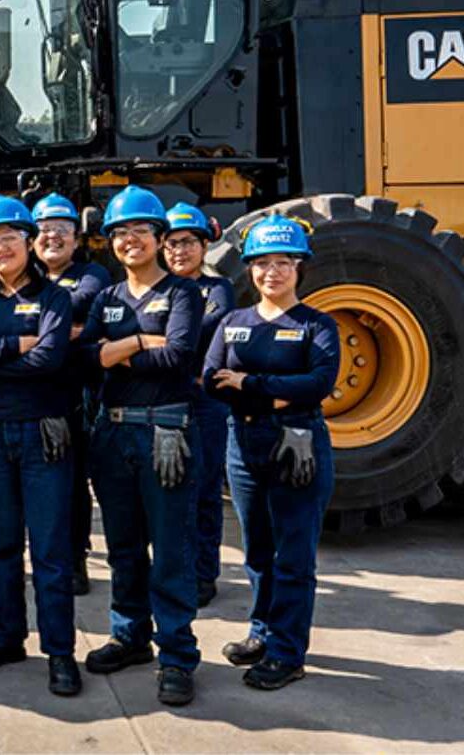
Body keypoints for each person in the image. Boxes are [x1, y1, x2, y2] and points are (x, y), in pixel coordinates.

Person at [0, 195, 80, 697]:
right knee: (2, 545)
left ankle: (60, 651)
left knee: (49, 549)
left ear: (29, 241)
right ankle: (7, 636)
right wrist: (14, 346)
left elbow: (49, 359)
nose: (0, 247)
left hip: (42, 431)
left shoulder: (55, 298)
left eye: (9, 238)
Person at [79, 185, 205, 707]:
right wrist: (135, 343)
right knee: (123, 545)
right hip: (111, 432)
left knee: (170, 549)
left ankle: (176, 653)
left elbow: (178, 357)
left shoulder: (182, 294)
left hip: (164, 432)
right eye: (120, 232)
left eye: (140, 230)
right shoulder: (107, 298)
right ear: (109, 242)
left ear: (158, 237)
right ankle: (129, 635)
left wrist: (116, 353)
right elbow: (86, 359)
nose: (130, 240)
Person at [203, 214, 339, 691]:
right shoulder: (232, 321)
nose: (271, 273)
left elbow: (319, 384)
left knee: (293, 554)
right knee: (258, 549)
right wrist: (275, 392)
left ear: (300, 268)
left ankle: (287, 652)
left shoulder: (316, 325)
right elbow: (211, 381)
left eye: (283, 262)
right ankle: (262, 633)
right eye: (261, 263)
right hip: (243, 445)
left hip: (296, 443)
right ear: (249, 269)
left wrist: (250, 384)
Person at [30, 192, 111, 596]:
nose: (52, 238)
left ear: (76, 239)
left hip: (76, 396)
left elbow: (88, 305)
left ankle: (75, 557)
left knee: (74, 481)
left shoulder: (92, 274)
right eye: (44, 231)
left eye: (62, 230)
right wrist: (65, 329)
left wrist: (30, 323)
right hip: (29, 394)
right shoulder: (20, 277)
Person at [163, 202, 235, 608]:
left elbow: (201, 332)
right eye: (171, 244)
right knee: (172, 493)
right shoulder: (159, 288)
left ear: (204, 245)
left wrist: (159, 336)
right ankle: (177, 569)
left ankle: (204, 574)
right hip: (168, 399)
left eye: (188, 242)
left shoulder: (217, 289)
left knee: (204, 490)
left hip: (204, 401)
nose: (179, 251)